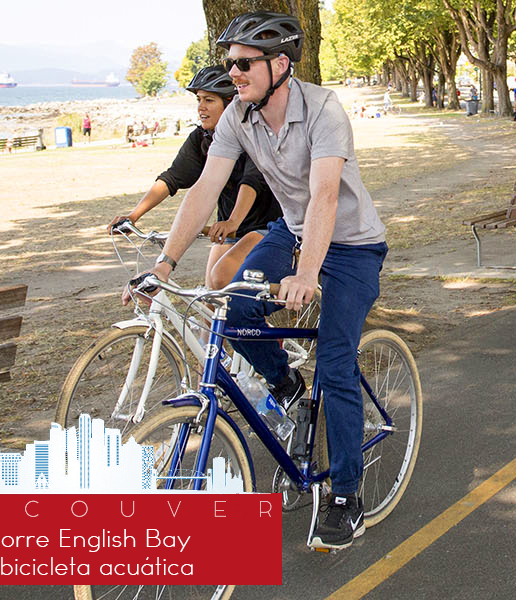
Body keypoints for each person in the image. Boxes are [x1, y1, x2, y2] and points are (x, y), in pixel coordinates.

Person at [124, 11, 388, 551]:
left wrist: (307, 274)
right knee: (236, 307)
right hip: (291, 231)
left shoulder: (324, 110)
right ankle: (287, 386)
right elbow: (204, 190)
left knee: (335, 361)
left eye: (245, 64)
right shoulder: (238, 117)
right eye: (231, 64)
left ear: (280, 64)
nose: (234, 74)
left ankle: (346, 497)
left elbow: (325, 196)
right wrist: (164, 265)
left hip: (351, 245)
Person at [109, 66, 281, 290]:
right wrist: (133, 216)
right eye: (199, 100)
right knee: (211, 297)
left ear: (231, 104)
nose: (201, 107)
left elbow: (252, 182)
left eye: (209, 100)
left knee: (221, 277)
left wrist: (233, 221)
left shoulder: (253, 133)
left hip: (267, 226)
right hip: (229, 230)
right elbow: (172, 178)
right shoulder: (202, 138)